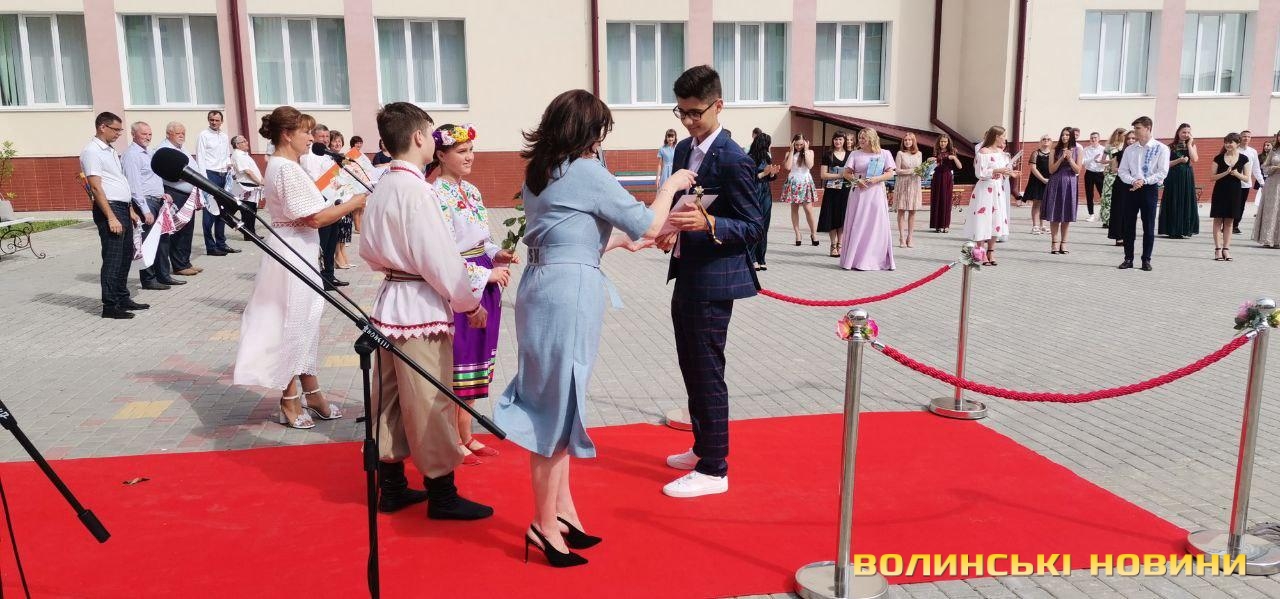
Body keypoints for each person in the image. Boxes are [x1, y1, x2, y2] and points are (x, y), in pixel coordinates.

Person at [494, 90, 691, 567]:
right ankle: (544, 524)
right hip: (567, 291)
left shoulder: (542, 169)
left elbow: (566, 232)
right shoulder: (584, 170)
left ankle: (562, 512)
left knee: (557, 399)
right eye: (599, 132)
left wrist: (617, 242)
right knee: (557, 407)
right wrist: (671, 185)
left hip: (544, 284)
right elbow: (648, 223)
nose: (601, 142)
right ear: (586, 131)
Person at [358, 102, 496, 522]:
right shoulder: (417, 191)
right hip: (419, 307)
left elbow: (368, 251)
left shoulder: (382, 184)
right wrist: (469, 304)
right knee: (430, 399)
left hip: (389, 301)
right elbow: (441, 260)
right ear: (420, 137)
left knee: (390, 398)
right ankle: (442, 493)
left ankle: (393, 486)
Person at [654, 65, 764, 499]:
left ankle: (715, 468)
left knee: (708, 370)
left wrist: (710, 223)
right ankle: (703, 447)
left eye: (695, 113)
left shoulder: (735, 158)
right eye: (681, 112)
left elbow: (753, 226)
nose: (687, 121)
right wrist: (672, 230)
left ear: (719, 105)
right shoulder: (684, 149)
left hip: (716, 280)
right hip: (687, 271)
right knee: (691, 365)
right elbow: (685, 204)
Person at [232, 106, 363, 428]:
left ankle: (312, 391)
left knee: (306, 322)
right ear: (287, 134)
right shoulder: (285, 168)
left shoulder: (288, 165)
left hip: (299, 246)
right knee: (291, 324)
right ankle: (289, 398)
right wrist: (352, 203)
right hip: (292, 250)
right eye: (305, 132)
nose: (311, 138)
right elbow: (313, 218)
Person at [427, 123, 515, 466]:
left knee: (479, 358)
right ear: (440, 155)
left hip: (484, 277)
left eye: (471, 150)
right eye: (461, 152)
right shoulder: (435, 195)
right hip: (463, 282)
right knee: (461, 360)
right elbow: (443, 253)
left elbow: (482, 240)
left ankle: (466, 433)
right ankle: (453, 437)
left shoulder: (472, 191)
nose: (469, 157)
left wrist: (497, 254)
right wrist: (484, 274)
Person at [82, 112, 148, 319]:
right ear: (102, 127)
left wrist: (130, 209)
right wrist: (111, 217)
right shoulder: (92, 151)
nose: (119, 134)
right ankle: (110, 306)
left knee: (125, 255)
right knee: (113, 258)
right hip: (109, 208)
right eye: (116, 129)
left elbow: (118, 180)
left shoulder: (110, 150)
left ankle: (122, 297)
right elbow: (96, 187)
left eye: (120, 130)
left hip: (122, 207)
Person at [122, 121, 184, 291]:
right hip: (146, 203)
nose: (148, 137)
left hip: (158, 200)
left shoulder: (150, 152)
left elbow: (154, 177)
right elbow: (134, 185)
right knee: (147, 242)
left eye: (149, 134)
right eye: (144, 134)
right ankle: (148, 279)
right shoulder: (132, 155)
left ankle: (163, 275)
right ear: (134, 134)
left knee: (163, 239)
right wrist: (145, 210)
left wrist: (163, 193)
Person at [299, 124, 354, 290]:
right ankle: (319, 277)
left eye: (327, 137)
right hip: (320, 203)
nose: (325, 140)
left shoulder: (328, 155)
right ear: (314, 137)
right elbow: (314, 179)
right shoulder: (309, 156)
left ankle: (329, 277)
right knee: (322, 242)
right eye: (321, 137)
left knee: (331, 241)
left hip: (333, 202)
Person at [1117, 116, 1171, 271]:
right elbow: (1122, 171)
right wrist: (1133, 180)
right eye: (1134, 128)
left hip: (1149, 189)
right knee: (1129, 225)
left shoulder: (1161, 148)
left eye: (1138, 128)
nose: (1135, 131)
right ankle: (1128, 258)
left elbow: (1162, 172)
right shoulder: (1130, 149)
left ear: (1148, 128)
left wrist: (1145, 181)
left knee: (1148, 225)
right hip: (1131, 189)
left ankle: (1146, 259)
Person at [839, 128, 896, 271]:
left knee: (875, 225)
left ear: (872, 138)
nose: (861, 140)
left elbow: (890, 173)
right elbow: (846, 173)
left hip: (876, 193)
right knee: (858, 224)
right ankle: (855, 260)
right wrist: (856, 181)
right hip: (859, 194)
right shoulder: (855, 154)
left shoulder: (884, 153)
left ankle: (874, 259)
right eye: (860, 137)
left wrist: (877, 179)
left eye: (864, 138)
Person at [964, 126, 1014, 265]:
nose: (1004, 139)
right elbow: (979, 173)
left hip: (998, 188)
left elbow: (1005, 170)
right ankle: (980, 251)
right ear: (996, 136)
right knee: (983, 218)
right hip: (985, 189)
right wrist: (997, 170)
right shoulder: (983, 152)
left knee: (996, 219)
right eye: (1003, 136)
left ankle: (991, 251)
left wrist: (1010, 173)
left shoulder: (1002, 153)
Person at [157, 122, 201, 277]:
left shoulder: (182, 148)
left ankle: (185, 261)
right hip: (174, 193)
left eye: (183, 133)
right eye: (178, 133)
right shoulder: (165, 149)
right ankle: (179, 265)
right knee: (178, 229)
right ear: (168, 134)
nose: (182, 135)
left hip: (187, 194)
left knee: (187, 229)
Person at [196, 110, 237, 255]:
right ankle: (210, 247)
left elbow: (226, 154)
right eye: (211, 120)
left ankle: (221, 243)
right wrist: (203, 179)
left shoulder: (224, 136)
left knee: (223, 210)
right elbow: (200, 157)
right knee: (210, 211)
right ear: (208, 120)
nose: (214, 122)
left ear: (221, 121)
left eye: (217, 120)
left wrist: (229, 167)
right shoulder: (203, 135)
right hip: (210, 174)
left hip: (223, 175)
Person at [1210, 133, 1250, 262]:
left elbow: (1247, 178)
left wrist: (1237, 174)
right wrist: (1225, 173)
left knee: (1229, 222)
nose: (1227, 144)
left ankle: (1226, 249)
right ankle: (1218, 249)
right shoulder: (1218, 158)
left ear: (1237, 144)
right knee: (1217, 220)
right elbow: (1212, 177)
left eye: (1230, 142)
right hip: (1220, 191)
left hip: (1235, 192)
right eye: (1226, 142)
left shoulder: (1244, 159)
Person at [1157, 123, 1199, 239]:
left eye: (1188, 132)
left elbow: (1195, 159)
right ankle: (1172, 230)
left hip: (1187, 177)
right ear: (1178, 132)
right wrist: (1179, 160)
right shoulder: (1170, 147)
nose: (1186, 134)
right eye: (1183, 132)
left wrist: (1189, 144)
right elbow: (1165, 164)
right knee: (1174, 200)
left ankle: (1185, 229)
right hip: (1173, 177)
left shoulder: (1192, 145)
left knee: (1186, 201)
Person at [1043, 127, 1080, 254]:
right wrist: (1061, 158)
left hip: (1070, 182)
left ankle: (1064, 243)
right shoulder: (1054, 150)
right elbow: (1051, 170)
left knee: (1066, 214)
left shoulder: (1078, 150)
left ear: (1072, 136)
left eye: (1067, 135)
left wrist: (1069, 159)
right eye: (1063, 134)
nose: (1065, 137)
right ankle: (1054, 243)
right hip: (1056, 182)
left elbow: (1078, 170)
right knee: (1055, 213)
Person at [747, 132, 779, 270]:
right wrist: (764, 173)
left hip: (766, 194)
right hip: (754, 193)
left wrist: (772, 174)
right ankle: (752, 258)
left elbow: (769, 178)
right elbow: (749, 178)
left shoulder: (767, 157)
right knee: (756, 225)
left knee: (764, 226)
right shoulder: (750, 158)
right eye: (767, 144)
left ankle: (761, 258)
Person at [816, 131, 851, 256]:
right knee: (832, 217)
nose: (838, 141)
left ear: (844, 140)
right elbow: (823, 175)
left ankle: (840, 245)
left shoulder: (850, 155)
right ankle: (833, 245)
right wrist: (840, 175)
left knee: (842, 217)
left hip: (845, 190)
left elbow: (853, 172)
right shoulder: (828, 154)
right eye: (836, 139)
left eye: (840, 139)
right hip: (831, 191)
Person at [781, 134, 818, 246]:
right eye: (796, 144)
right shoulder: (789, 153)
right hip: (793, 182)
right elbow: (788, 167)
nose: (799, 146)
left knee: (808, 209)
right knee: (794, 209)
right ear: (793, 143)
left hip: (805, 181)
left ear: (805, 143)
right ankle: (798, 234)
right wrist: (791, 151)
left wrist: (806, 149)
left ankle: (813, 233)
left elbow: (810, 165)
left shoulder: (810, 152)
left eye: (801, 144)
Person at [327, 130, 356, 271]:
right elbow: (332, 176)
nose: (337, 143)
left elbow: (351, 172)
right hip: (336, 197)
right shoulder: (328, 158)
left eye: (339, 141)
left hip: (347, 195)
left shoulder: (343, 157)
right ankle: (338, 256)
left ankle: (343, 254)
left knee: (346, 227)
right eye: (335, 141)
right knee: (339, 227)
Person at [229, 135, 264, 241]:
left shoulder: (244, 154)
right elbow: (247, 172)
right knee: (248, 211)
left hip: (251, 186)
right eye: (243, 141)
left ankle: (249, 234)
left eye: (245, 140)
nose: (246, 142)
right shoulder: (238, 155)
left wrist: (261, 180)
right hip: (246, 187)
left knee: (250, 211)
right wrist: (260, 182)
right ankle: (249, 234)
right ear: (237, 145)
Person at [1108, 130, 1138, 246]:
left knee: (1131, 211)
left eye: (1133, 138)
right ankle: (1119, 236)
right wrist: (1125, 170)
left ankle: (1129, 236)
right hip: (1121, 184)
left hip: (1135, 184)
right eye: (1129, 138)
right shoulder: (1119, 153)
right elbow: (1113, 169)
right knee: (1119, 210)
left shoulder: (1140, 153)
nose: (1131, 141)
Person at [894, 132, 924, 248]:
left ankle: (910, 237)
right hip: (902, 184)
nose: (907, 142)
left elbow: (920, 169)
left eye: (909, 140)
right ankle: (901, 237)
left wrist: (923, 172)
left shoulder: (919, 154)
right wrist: (911, 171)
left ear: (913, 141)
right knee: (901, 211)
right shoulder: (900, 153)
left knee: (912, 212)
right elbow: (897, 170)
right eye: (905, 140)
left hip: (915, 184)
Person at [929, 134, 961, 233]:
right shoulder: (936, 151)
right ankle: (937, 225)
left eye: (945, 141)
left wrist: (954, 158)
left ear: (948, 142)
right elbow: (930, 164)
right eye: (941, 141)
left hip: (947, 177)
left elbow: (960, 166)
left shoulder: (952, 151)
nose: (943, 143)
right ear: (939, 142)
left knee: (946, 200)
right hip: (937, 177)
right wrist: (930, 159)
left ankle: (945, 225)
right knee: (936, 199)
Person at [1254, 130, 1280, 248]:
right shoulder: (1273, 151)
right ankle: (1268, 239)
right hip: (1273, 183)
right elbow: (1264, 167)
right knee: (1272, 209)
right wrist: (1274, 168)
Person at [1098, 128, 1127, 233]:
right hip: (1111, 174)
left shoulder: (1126, 146)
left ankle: (1118, 219)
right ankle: (1106, 220)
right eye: (1124, 135)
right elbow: (1102, 161)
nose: (1125, 137)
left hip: (1123, 174)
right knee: (1107, 196)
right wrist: (1112, 161)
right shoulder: (1109, 147)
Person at [1023, 134, 1052, 234]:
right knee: (1036, 203)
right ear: (1041, 141)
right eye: (1044, 139)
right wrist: (1043, 179)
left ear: (1051, 142)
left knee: (1044, 204)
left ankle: (1042, 225)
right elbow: (1033, 168)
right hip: (1037, 181)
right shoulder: (1035, 153)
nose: (1046, 140)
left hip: (1049, 181)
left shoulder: (1053, 154)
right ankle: (1035, 226)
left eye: (1048, 139)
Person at [1238, 130, 1264, 234]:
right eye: (1244, 136)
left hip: (1245, 183)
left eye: (1248, 137)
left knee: (1241, 205)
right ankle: (1228, 224)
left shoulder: (1252, 151)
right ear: (1240, 137)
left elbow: (1256, 169)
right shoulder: (1235, 149)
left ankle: (1235, 224)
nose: (1246, 138)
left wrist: (1262, 182)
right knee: (1232, 204)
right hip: (1233, 182)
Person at [1082, 131, 1105, 222]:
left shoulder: (1103, 149)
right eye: (1092, 138)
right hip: (1089, 173)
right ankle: (1091, 214)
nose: (1093, 139)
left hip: (1100, 173)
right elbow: (1083, 162)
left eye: (1095, 137)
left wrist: (1100, 162)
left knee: (1103, 194)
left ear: (1099, 139)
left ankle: (1104, 213)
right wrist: (1093, 159)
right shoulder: (1086, 149)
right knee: (1089, 194)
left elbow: (1107, 162)